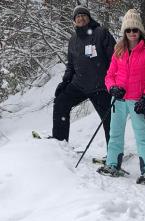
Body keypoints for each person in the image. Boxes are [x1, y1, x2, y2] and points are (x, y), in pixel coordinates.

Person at [99, 9, 145, 185]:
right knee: (115, 133)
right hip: (118, 100)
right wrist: (112, 89)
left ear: (140, 31)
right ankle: (112, 164)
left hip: (137, 101)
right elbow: (109, 76)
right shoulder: (118, 51)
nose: (132, 33)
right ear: (124, 32)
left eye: (135, 30)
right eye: (128, 30)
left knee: (142, 135)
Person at [53, 7, 115, 145]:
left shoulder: (101, 33)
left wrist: (114, 81)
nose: (80, 18)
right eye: (77, 17)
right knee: (61, 102)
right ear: (74, 21)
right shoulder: (73, 40)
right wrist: (65, 81)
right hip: (79, 85)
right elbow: (71, 65)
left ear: (89, 17)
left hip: (100, 85)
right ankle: (60, 143)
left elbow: (115, 59)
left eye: (83, 15)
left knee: (109, 120)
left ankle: (113, 153)